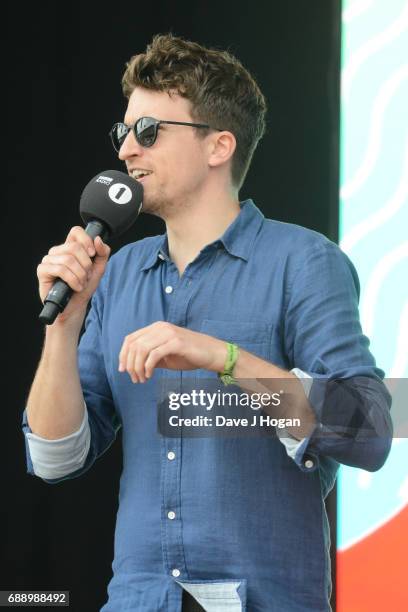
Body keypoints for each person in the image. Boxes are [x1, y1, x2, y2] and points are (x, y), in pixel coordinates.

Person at [22, 34, 392, 612]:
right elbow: (54, 459)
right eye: (123, 132)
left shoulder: (304, 262)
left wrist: (223, 357)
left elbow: (370, 429)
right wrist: (63, 327)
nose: (126, 152)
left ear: (220, 146)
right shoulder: (117, 277)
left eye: (149, 131)